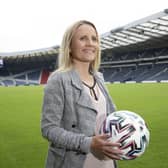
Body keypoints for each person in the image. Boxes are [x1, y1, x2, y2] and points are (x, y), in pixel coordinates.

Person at [41, 20, 122, 168]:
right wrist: (89, 143)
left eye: (94, 39)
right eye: (83, 38)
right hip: (74, 163)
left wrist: (134, 125)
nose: (90, 43)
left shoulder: (99, 77)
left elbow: (112, 116)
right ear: (70, 46)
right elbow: (49, 129)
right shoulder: (58, 79)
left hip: (106, 162)